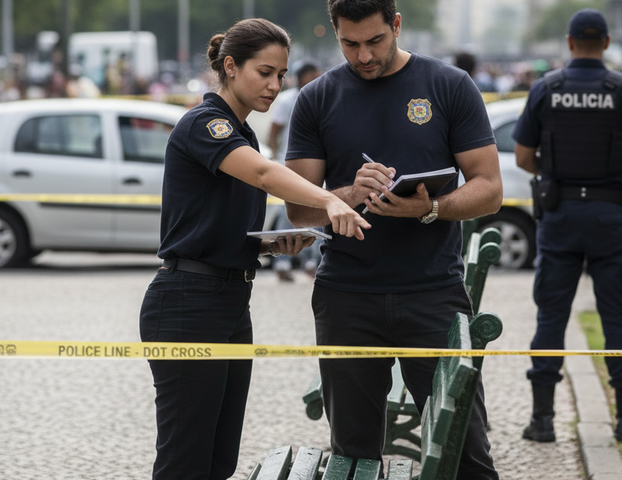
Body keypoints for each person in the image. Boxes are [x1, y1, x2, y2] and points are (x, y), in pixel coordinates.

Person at [138, 18, 370, 480]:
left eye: (281, 75)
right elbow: (264, 175)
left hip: (228, 301)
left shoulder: (242, 132)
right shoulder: (206, 124)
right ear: (230, 66)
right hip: (188, 302)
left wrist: (272, 246)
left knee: (218, 461)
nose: (275, 84)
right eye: (264, 72)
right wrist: (325, 198)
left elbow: (215, 222)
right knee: (185, 463)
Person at [284, 1, 502, 477]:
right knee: (353, 457)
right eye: (349, 43)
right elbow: (299, 208)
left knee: (467, 454)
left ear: (397, 25)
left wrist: (433, 208)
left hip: (433, 293)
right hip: (346, 297)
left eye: (375, 41)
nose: (363, 55)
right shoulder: (317, 97)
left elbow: (489, 189)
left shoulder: (448, 86)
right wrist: (347, 193)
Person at [512, 8, 622, 444]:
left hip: (559, 217)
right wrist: (616, 180)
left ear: (570, 42)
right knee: (618, 317)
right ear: (608, 43)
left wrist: (558, 176)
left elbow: (523, 158)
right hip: (610, 217)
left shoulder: (545, 89)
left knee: (551, 316)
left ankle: (542, 421)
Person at [267, 60, 323, 282]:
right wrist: (275, 156)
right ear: (301, 77)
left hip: (311, 166)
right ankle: (282, 262)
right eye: (313, 75)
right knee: (286, 214)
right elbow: (274, 130)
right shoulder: (287, 100)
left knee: (316, 211)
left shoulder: (319, 98)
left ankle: (312, 261)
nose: (317, 79)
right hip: (287, 165)